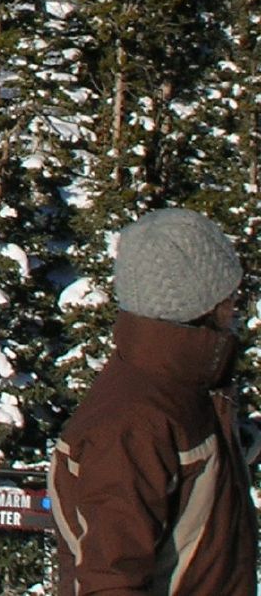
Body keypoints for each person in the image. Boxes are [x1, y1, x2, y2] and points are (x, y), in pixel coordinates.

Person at [50, 208, 257, 596]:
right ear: (201, 306)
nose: (236, 309)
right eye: (230, 297)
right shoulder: (132, 423)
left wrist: (242, 442)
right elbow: (109, 581)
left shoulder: (182, 389)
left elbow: (192, 493)